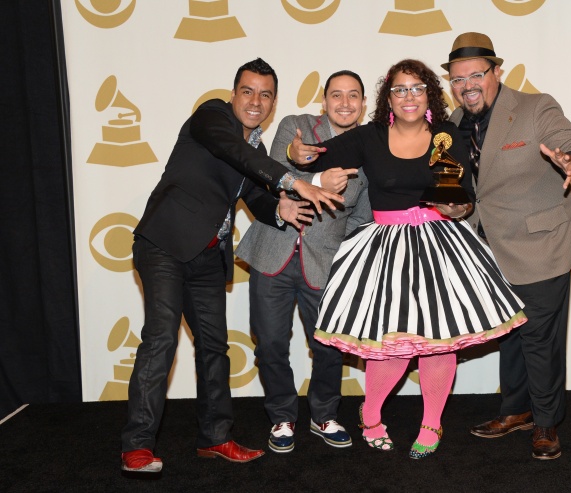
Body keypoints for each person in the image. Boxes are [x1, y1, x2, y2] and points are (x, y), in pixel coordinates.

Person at [289, 59, 527, 459]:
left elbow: (465, 194)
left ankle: (432, 422)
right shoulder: (369, 136)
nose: (409, 96)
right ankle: (371, 415)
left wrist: (458, 209)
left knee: (440, 343)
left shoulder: (447, 134)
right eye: (400, 89)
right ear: (388, 98)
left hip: (441, 246)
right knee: (393, 344)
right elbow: (315, 157)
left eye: (417, 88)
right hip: (387, 251)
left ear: (430, 95)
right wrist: (296, 153)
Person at [120, 58, 343, 474]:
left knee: (214, 349)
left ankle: (215, 438)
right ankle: (137, 446)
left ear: (273, 102)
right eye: (248, 91)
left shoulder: (256, 148)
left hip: (209, 255)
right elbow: (236, 154)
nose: (256, 101)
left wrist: (281, 210)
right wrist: (295, 181)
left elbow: (256, 196)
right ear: (233, 93)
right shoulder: (211, 117)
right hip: (165, 244)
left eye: (265, 95)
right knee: (161, 338)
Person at [441, 32, 571, 460]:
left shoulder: (535, 107)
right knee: (509, 334)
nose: (467, 85)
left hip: (540, 245)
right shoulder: (453, 123)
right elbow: (473, 191)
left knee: (538, 338)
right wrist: (455, 207)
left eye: (476, 75)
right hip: (488, 251)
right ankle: (516, 411)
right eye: (457, 79)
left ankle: (546, 422)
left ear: (497, 71)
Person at [235, 70, 371, 453]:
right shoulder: (295, 127)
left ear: (363, 104)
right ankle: (282, 416)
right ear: (324, 101)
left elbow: (361, 217)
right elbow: (273, 175)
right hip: (272, 253)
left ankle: (324, 414)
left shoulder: (369, 151)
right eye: (336, 95)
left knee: (328, 346)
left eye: (353, 95)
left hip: (325, 264)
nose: (345, 103)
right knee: (270, 344)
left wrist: (345, 258)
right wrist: (316, 177)